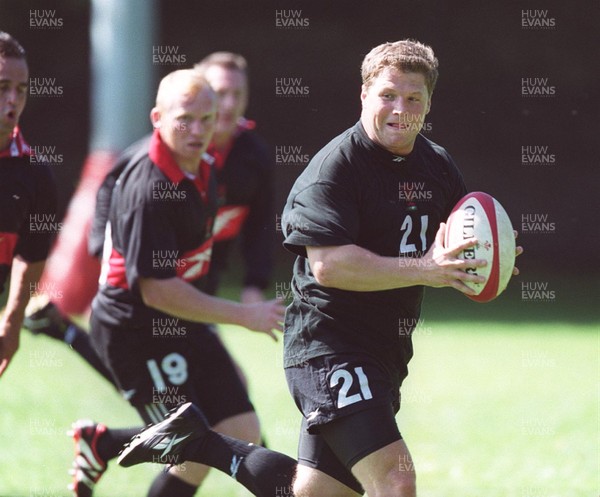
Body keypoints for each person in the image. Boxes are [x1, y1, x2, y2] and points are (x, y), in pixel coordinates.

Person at [115, 39, 523, 497]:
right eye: (388, 95)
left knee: (316, 494)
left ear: (429, 104)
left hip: (386, 352)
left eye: (414, 99)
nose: (400, 109)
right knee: (396, 479)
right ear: (364, 94)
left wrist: (488, 258)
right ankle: (203, 443)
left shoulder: (436, 166)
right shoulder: (336, 169)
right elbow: (330, 266)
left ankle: (202, 442)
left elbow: (449, 243)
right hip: (329, 347)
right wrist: (426, 269)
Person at [69, 69, 284, 497]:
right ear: (157, 117)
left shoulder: (205, 167)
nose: (198, 130)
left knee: (242, 425)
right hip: (133, 332)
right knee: (190, 440)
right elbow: (157, 289)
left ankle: (103, 441)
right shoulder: (148, 189)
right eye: (185, 118)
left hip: (180, 319)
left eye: (207, 119)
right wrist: (245, 315)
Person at [25, 51, 274, 386]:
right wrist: (106, 252)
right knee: (178, 396)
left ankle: (66, 335)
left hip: (200, 278)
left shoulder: (248, 158)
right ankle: (107, 436)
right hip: (150, 288)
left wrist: (254, 284)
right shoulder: (153, 168)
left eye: (237, 95)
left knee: (208, 401)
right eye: (220, 93)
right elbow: (109, 186)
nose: (229, 104)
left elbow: (261, 223)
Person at [0, 31, 57, 377]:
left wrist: (13, 320)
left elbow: (32, 255)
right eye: (2, 86)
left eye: (20, 90)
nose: (12, 101)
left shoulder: (35, 176)